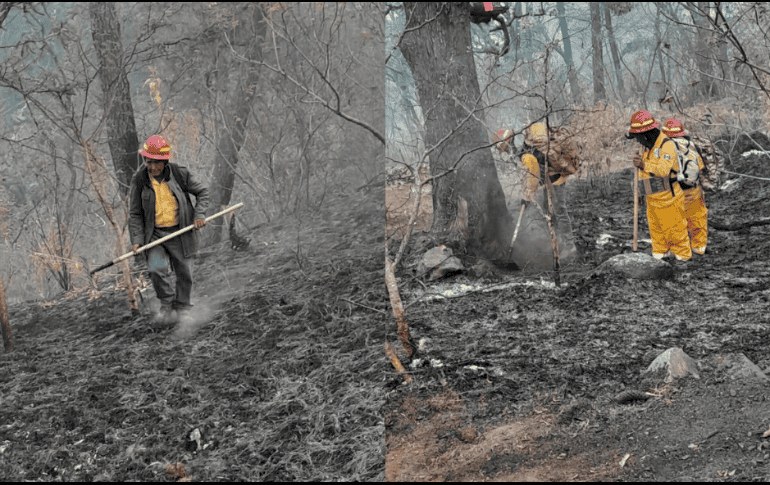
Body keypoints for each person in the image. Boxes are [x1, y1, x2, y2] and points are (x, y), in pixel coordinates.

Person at [129, 135, 210, 325]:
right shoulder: (140, 180)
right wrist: (137, 240)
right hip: (155, 234)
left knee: (185, 272)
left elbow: (203, 192)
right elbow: (135, 213)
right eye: (149, 161)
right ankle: (167, 306)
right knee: (156, 270)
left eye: (156, 162)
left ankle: (182, 309)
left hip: (181, 231)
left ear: (165, 161)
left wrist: (199, 215)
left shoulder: (180, 174)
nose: (152, 167)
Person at [626, 110, 691, 262]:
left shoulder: (666, 145)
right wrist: (640, 192)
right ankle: (659, 259)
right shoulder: (646, 148)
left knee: (675, 231)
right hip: (653, 198)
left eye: (638, 138)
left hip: (669, 198)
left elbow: (663, 171)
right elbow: (643, 174)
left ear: (646, 134)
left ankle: (683, 262)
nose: (637, 141)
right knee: (657, 233)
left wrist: (643, 164)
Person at [518, 122, 579, 261]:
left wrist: (527, 197)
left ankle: (570, 246)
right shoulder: (534, 146)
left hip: (556, 178)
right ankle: (555, 241)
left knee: (559, 210)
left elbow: (533, 174)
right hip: (549, 178)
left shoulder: (529, 151)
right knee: (548, 209)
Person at [662, 118, 709, 255]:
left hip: (673, 190)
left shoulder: (663, 148)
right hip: (691, 188)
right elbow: (700, 168)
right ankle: (699, 248)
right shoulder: (691, 146)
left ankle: (676, 249)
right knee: (696, 218)